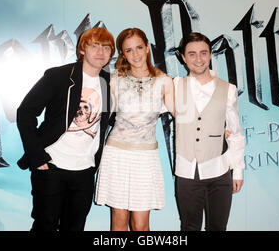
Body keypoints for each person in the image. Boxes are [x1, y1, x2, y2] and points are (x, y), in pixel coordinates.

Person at [16, 27, 115, 232]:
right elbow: (25, 112)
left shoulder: (108, 83)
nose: (100, 52)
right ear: (82, 49)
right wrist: (37, 156)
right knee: (45, 227)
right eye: (94, 45)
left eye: (106, 47)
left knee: (75, 228)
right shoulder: (59, 76)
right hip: (52, 165)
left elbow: (107, 120)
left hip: (85, 170)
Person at [94, 28, 175, 231]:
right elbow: (99, 119)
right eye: (129, 50)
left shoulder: (165, 82)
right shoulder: (115, 80)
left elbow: (183, 117)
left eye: (139, 47)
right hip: (117, 154)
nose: (136, 54)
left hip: (145, 157)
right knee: (119, 221)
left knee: (140, 225)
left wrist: (221, 127)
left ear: (147, 47)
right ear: (122, 54)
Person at [173, 32, 245, 231]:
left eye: (203, 53)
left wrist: (237, 170)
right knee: (189, 228)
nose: (199, 59)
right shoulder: (175, 86)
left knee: (218, 228)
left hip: (219, 171)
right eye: (192, 54)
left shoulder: (228, 89)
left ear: (211, 54)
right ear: (183, 57)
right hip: (187, 171)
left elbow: (235, 133)